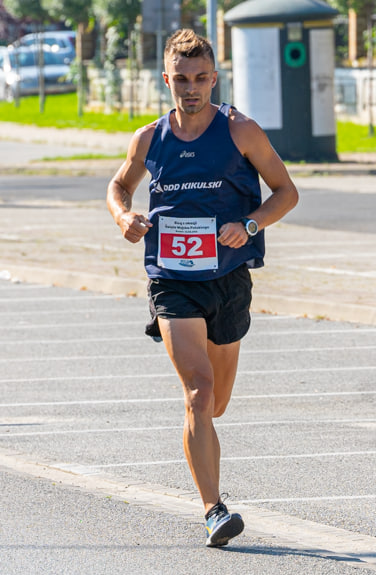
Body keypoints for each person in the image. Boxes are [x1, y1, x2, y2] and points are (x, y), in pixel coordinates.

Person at [106, 29, 298, 547]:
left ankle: (201, 437)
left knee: (217, 404)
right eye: (181, 80)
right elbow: (119, 183)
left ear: (214, 78)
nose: (191, 89)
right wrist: (123, 214)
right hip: (172, 281)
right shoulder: (149, 138)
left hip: (229, 279)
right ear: (166, 80)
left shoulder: (241, 131)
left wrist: (251, 224)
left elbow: (286, 192)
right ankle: (214, 509)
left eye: (201, 79)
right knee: (198, 392)